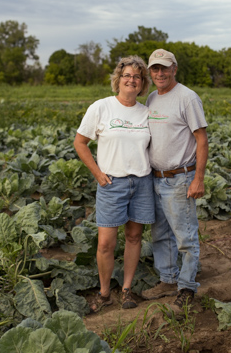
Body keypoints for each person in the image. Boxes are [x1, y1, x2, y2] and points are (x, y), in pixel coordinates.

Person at [74, 55, 155, 312]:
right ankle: (105, 291)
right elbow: (80, 142)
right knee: (105, 244)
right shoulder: (101, 107)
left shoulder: (146, 113)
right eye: (127, 75)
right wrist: (98, 174)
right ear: (118, 80)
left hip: (141, 183)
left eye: (137, 77)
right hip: (112, 184)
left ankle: (127, 289)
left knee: (133, 237)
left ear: (142, 84)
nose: (132, 80)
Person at [141, 48, 208, 316]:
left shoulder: (188, 98)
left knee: (185, 236)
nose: (159, 73)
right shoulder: (151, 98)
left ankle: (187, 288)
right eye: (155, 69)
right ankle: (168, 279)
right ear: (150, 72)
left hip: (181, 178)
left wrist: (198, 179)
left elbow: (201, 139)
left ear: (174, 69)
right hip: (155, 178)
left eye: (164, 68)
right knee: (160, 234)